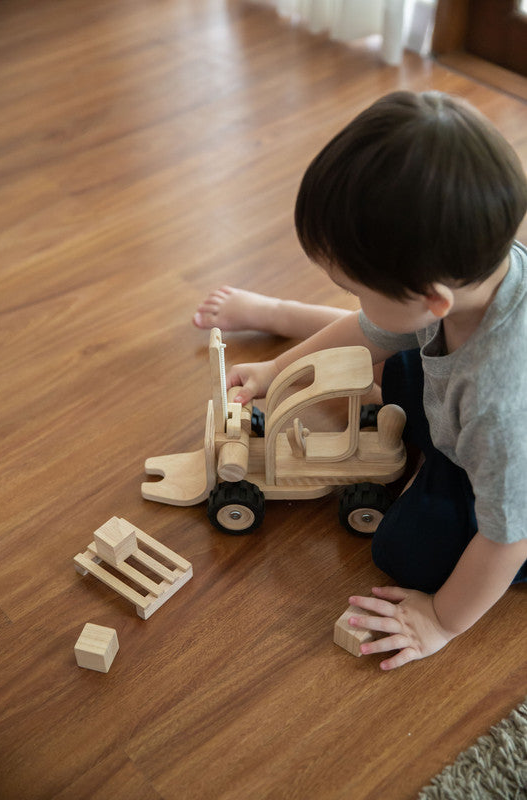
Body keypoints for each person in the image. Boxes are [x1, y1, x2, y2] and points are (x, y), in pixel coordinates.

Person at [193, 91, 527, 671]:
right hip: (469, 414)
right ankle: (277, 312)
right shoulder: (468, 282)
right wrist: (278, 371)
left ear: (433, 300)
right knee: (393, 359)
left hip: (511, 493)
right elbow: (375, 330)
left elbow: (509, 537)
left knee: (404, 551)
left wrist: (440, 620)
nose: (355, 302)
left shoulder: (501, 406)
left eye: (355, 289)